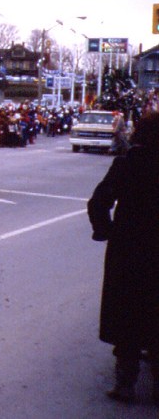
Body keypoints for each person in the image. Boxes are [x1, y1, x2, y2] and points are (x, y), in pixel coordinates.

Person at [87, 111, 159, 405]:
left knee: (127, 311)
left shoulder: (128, 164)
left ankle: (125, 382)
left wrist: (105, 231)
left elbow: (99, 202)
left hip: (129, 247)